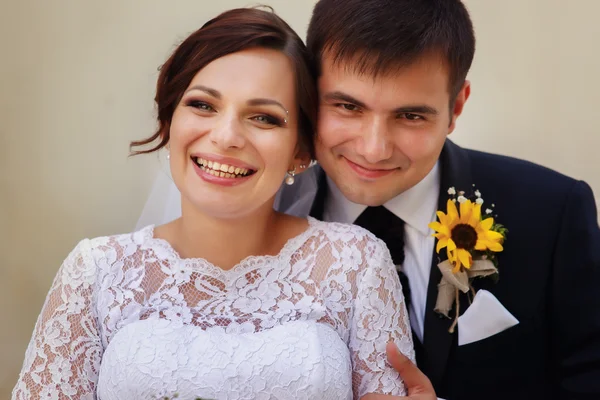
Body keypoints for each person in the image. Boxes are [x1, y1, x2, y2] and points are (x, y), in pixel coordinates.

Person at [139, 0, 600, 398]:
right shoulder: (253, 202)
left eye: (411, 115)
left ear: (456, 106)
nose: (373, 148)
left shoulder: (552, 213)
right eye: (347, 106)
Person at [12, 7, 417, 400]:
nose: (226, 137)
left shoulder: (356, 265)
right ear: (169, 120)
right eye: (202, 105)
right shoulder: (95, 272)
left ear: (300, 150)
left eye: (264, 118)